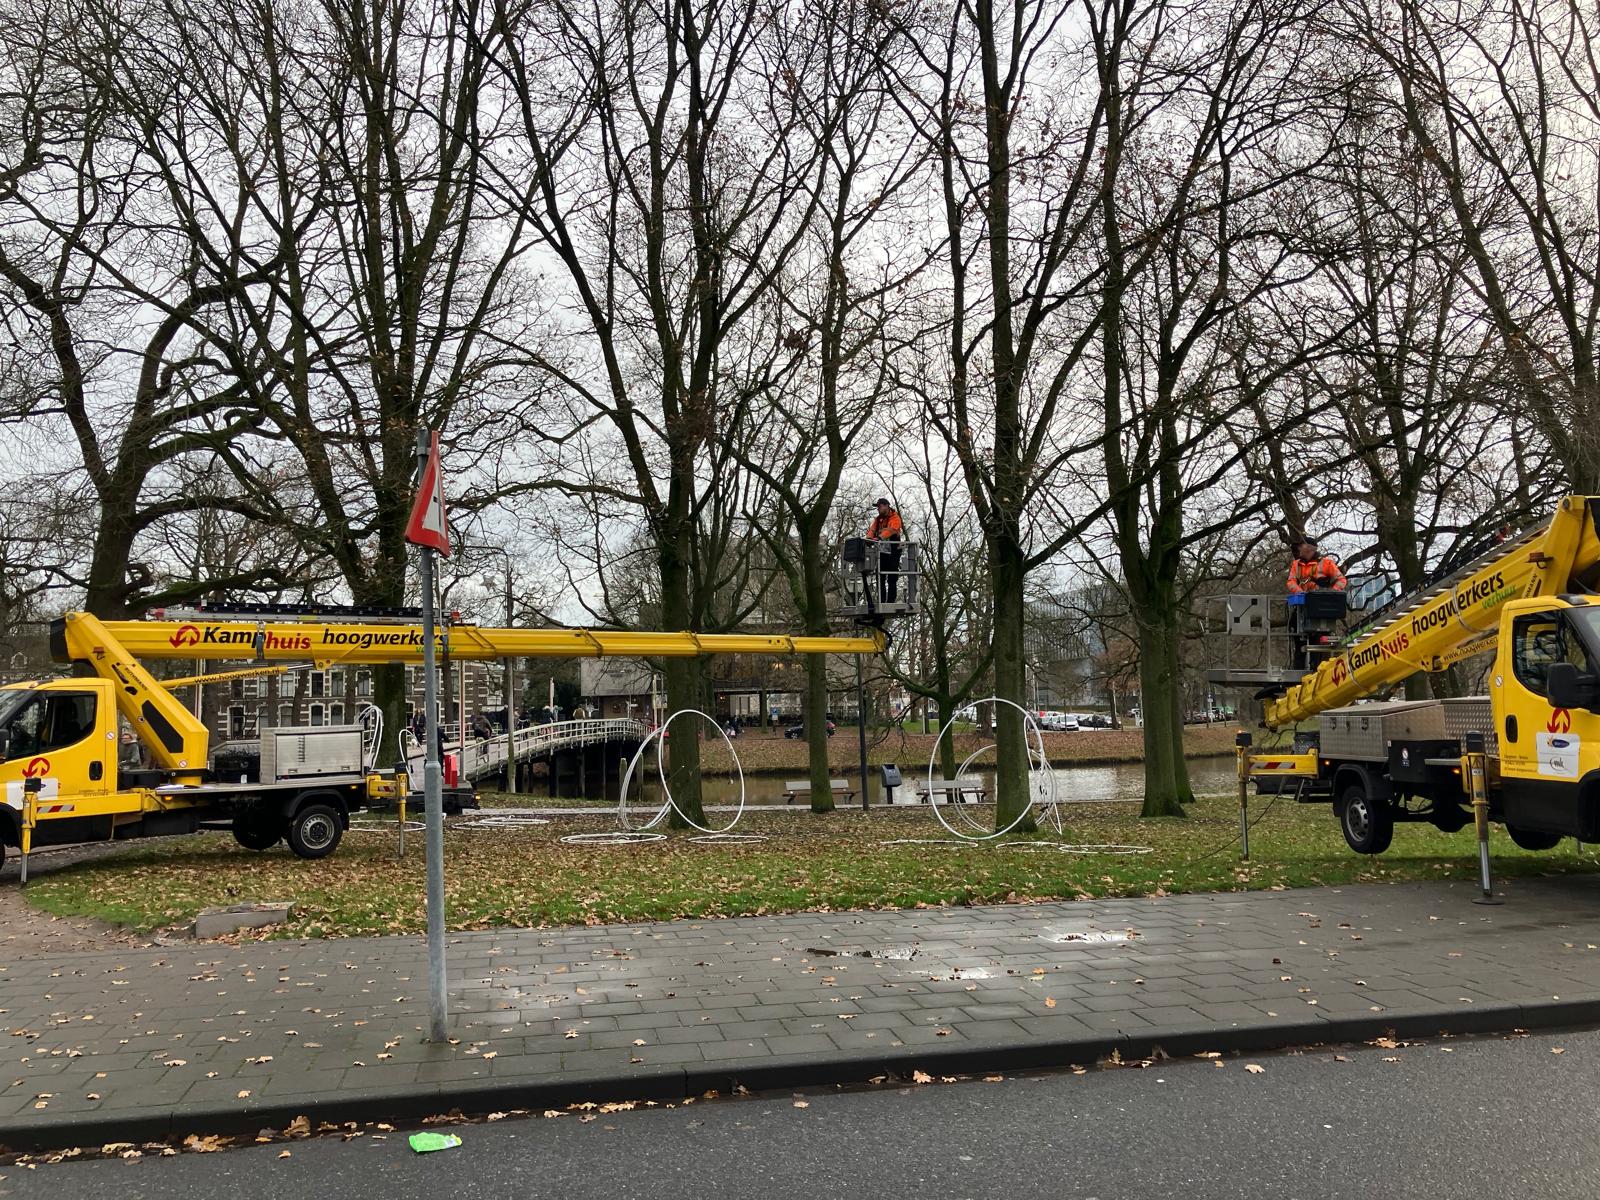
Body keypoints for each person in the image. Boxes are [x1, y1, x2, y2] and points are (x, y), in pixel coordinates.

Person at [866, 497, 904, 603]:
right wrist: (869, 538)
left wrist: (879, 538)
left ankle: (891, 601)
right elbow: (872, 529)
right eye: (877, 507)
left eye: (880, 506)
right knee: (880, 575)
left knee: (892, 576)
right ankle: (882, 601)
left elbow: (892, 530)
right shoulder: (878, 520)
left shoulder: (895, 518)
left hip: (893, 550)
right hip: (882, 550)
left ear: (887, 506)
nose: (878, 509)